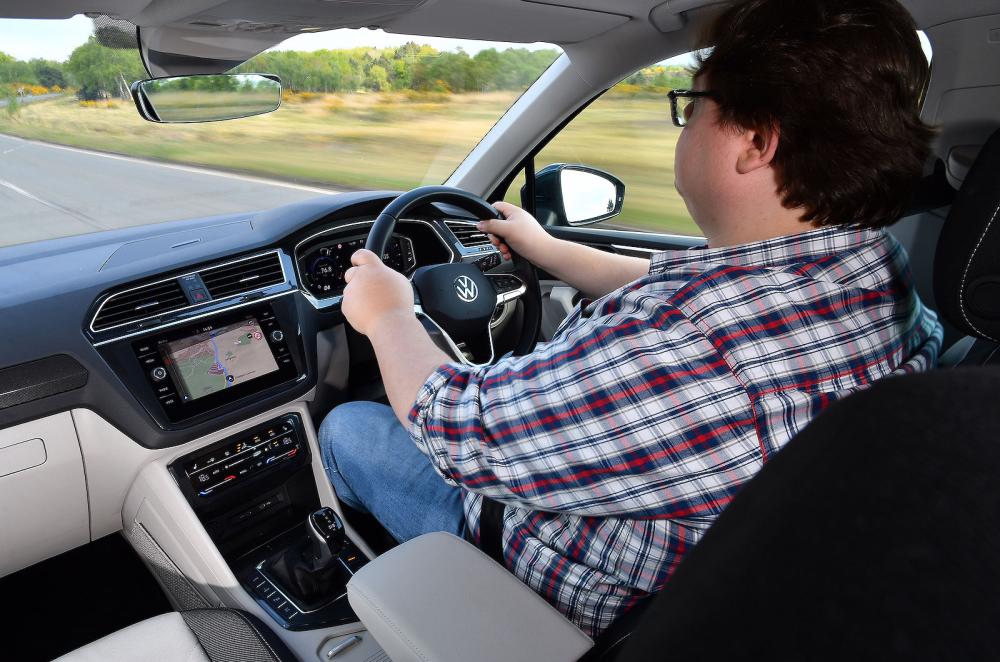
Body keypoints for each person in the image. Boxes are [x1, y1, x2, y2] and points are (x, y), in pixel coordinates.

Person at [320, 0, 944, 638]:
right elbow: (690, 290)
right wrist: (551, 250)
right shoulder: (865, 267)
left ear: (755, 142)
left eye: (692, 106)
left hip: (543, 586)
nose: (685, 124)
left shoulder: (691, 347)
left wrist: (389, 312)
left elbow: (457, 427)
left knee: (345, 428)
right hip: (711, 586)